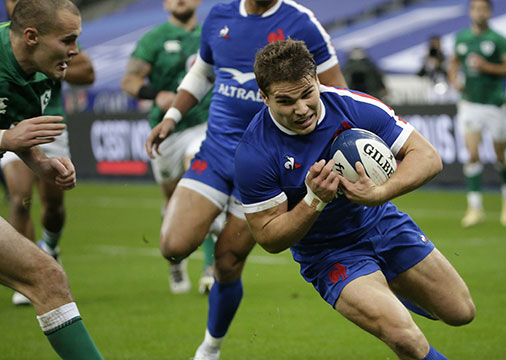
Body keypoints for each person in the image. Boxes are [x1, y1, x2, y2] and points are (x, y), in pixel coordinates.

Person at [234, 38, 474, 360]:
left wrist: (380, 193)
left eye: (307, 94)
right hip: (329, 253)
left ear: (317, 79)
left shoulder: (353, 107)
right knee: (405, 338)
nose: (302, 108)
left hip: (382, 223)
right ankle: (380, 296)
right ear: (264, 97)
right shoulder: (255, 152)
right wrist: (313, 201)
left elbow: (428, 157)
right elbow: (268, 237)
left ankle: (389, 288)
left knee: (461, 312)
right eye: (286, 101)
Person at [144, 0, 347, 358]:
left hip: (263, 167)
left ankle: (210, 348)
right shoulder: (220, 16)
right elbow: (203, 71)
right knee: (173, 246)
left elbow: (336, 93)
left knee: (227, 261)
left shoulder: (301, 22)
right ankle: (219, 213)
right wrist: (173, 115)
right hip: (216, 151)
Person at [0, 0, 103, 358]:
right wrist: (4, 139)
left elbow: (20, 132)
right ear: (31, 36)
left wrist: (41, 164)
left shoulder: (37, 70)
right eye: (68, 40)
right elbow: (9, 135)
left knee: (48, 277)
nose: (75, 51)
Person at [121, 0, 224, 295]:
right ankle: (176, 259)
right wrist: (156, 94)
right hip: (167, 130)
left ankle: (209, 266)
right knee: (173, 199)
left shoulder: (212, 33)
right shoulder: (154, 38)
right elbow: (129, 81)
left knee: (201, 184)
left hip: (203, 124)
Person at [447, 0, 506, 227]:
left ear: (489, 12)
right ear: (470, 12)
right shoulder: (461, 38)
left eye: (483, 9)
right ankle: (475, 207)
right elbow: (454, 63)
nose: (479, 13)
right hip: (469, 103)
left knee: (500, 155)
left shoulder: (498, 40)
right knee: (471, 154)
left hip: (494, 103)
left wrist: (487, 67)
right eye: (475, 8)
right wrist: (453, 81)